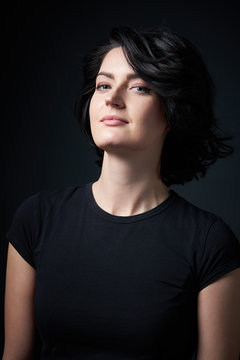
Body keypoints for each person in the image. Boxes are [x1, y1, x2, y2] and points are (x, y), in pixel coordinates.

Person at [3, 26, 240, 360]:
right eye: (103, 84)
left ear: (172, 112)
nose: (112, 98)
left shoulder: (209, 242)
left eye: (139, 87)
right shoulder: (37, 218)